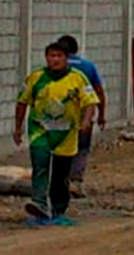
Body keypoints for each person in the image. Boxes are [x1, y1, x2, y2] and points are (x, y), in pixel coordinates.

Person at [13, 38, 98, 225]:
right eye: (52, 56)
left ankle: (59, 208)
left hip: (66, 134)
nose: (55, 60)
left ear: (66, 58)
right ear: (46, 58)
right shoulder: (36, 78)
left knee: (60, 175)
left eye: (59, 56)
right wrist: (18, 128)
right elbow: (22, 102)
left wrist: (86, 121)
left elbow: (90, 101)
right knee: (40, 166)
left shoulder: (77, 78)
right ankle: (39, 204)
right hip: (40, 132)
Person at [57, 34, 107, 197]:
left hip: (59, 117)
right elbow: (98, 92)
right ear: (76, 49)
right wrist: (101, 114)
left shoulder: (54, 67)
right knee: (81, 149)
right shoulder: (88, 66)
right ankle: (76, 182)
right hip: (84, 116)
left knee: (60, 148)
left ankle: (60, 182)